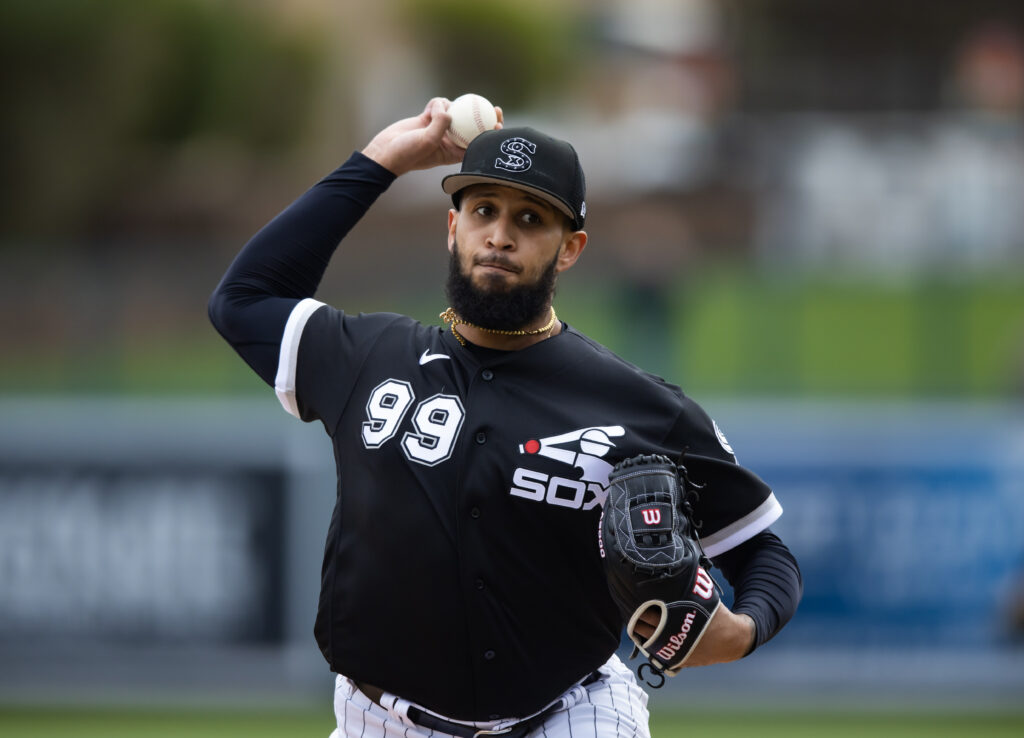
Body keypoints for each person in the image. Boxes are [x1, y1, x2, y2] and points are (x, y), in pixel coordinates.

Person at [209, 98, 802, 738]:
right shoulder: (366, 357)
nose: (499, 235)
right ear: (452, 227)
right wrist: (380, 162)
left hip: (568, 714)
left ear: (569, 249)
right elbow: (242, 300)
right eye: (482, 210)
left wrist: (741, 632)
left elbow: (763, 552)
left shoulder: (641, 408)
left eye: (530, 218)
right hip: (378, 720)